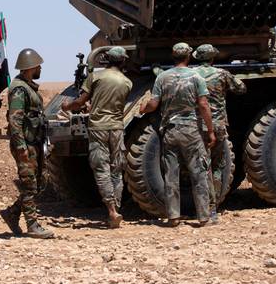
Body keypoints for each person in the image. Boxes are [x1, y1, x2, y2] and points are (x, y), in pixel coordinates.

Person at [139, 43, 218, 227]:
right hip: (191, 130)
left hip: (170, 130)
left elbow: (153, 104)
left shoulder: (162, 78)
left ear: (173, 56)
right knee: (198, 172)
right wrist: (211, 131)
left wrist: (143, 109)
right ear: (188, 56)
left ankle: (173, 217)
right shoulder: (196, 77)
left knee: (171, 174)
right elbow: (204, 105)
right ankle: (204, 216)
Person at [61, 46, 132, 228]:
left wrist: (67, 106)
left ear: (107, 59)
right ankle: (116, 208)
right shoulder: (127, 82)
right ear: (123, 61)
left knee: (101, 168)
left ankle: (111, 211)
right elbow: (114, 105)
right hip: (116, 128)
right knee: (116, 169)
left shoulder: (96, 77)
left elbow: (80, 102)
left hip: (98, 128)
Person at [0, 48, 54, 239]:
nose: (40, 68)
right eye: (38, 65)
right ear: (31, 67)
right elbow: (15, 120)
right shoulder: (20, 89)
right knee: (29, 184)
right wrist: (21, 146)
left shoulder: (28, 86)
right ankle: (32, 225)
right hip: (25, 144)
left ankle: (12, 214)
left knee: (38, 183)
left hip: (34, 142)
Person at [192, 44, 246, 204]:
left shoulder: (191, 75)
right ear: (213, 58)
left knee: (200, 165)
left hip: (198, 125)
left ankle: (200, 203)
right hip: (218, 125)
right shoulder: (222, 74)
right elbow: (241, 88)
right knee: (218, 165)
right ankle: (213, 202)